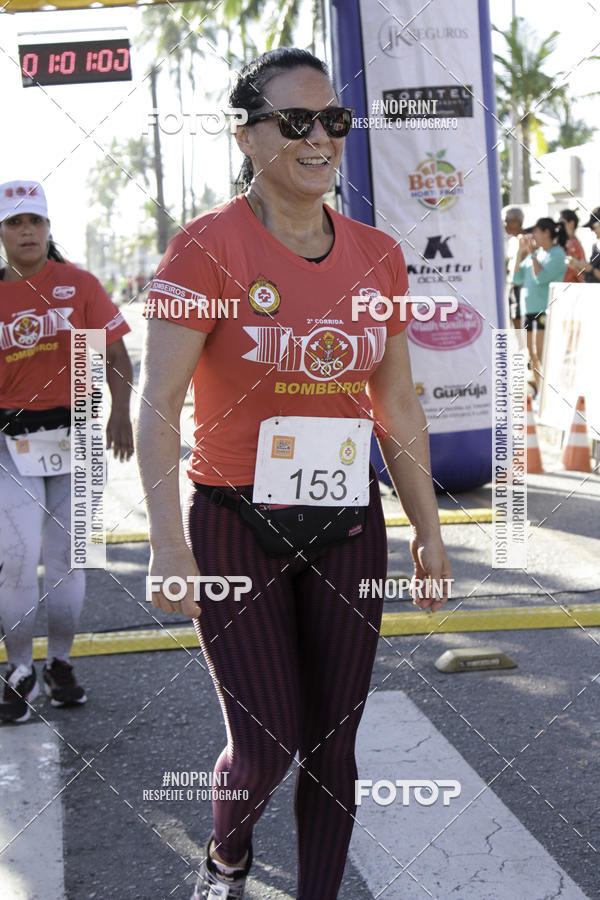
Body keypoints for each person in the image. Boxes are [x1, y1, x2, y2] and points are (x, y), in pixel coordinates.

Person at [136, 48, 452, 900]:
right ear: (247, 134)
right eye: (297, 121)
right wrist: (169, 544)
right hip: (236, 518)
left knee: (335, 745)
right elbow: (159, 404)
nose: (321, 138)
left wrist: (427, 529)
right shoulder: (205, 248)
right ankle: (228, 855)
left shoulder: (380, 255)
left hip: (349, 520)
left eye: (334, 121)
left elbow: (399, 409)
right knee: (267, 739)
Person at [0, 180, 134, 723]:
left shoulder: (77, 284)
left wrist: (120, 415)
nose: (27, 231)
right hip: (11, 442)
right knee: (15, 557)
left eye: (35, 221)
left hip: (76, 434)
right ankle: (17, 670)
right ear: (2, 233)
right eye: (15, 222)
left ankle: (58, 663)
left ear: (49, 228)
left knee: (68, 561)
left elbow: (115, 355)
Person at [513, 217, 567, 395]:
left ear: (546, 232)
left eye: (535, 231)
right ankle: (542, 396)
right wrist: (520, 252)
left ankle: (553, 393)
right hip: (529, 309)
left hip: (545, 308)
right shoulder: (532, 255)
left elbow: (541, 277)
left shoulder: (557, 253)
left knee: (542, 353)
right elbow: (516, 278)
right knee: (532, 355)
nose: (532, 235)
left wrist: (532, 254)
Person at [503, 207, 524, 328]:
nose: (505, 225)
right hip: (512, 286)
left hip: (521, 288)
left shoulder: (525, 240)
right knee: (514, 321)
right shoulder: (512, 241)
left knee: (522, 325)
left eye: (507, 221)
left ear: (516, 221)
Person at [559, 209, 586, 282]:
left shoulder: (576, 245)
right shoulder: (560, 242)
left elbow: (583, 272)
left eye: (562, 223)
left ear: (571, 223)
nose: (559, 226)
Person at [581, 205, 600, 284]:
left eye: (593, 227)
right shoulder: (595, 246)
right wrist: (579, 267)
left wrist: (591, 269)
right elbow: (588, 277)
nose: (592, 230)